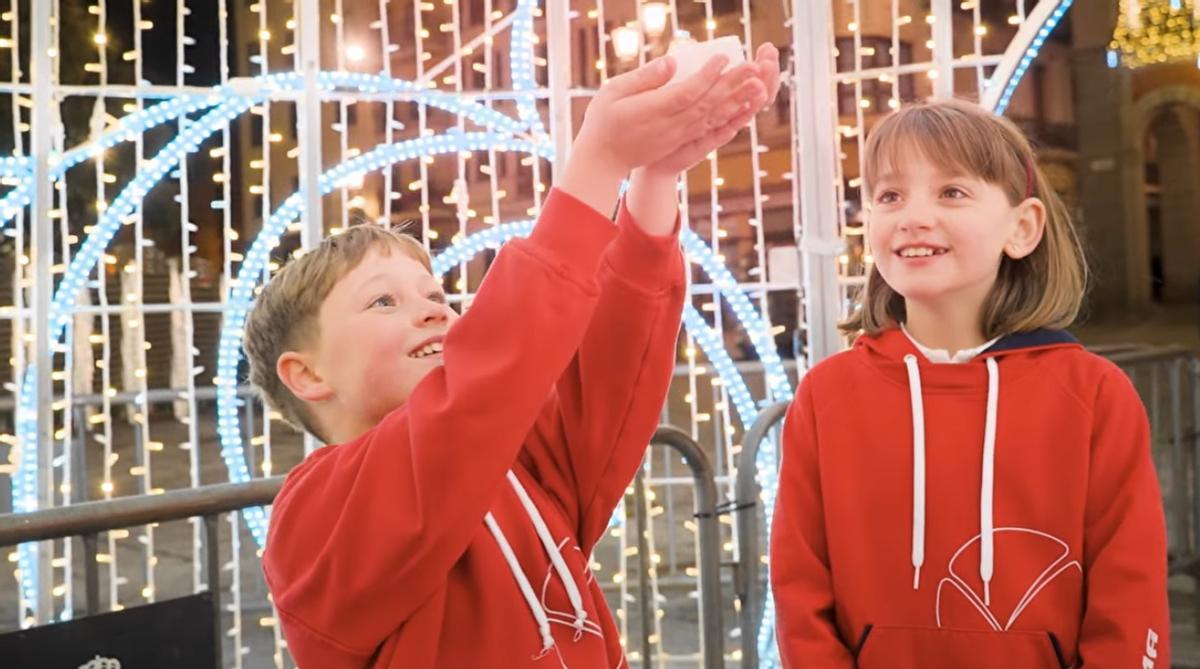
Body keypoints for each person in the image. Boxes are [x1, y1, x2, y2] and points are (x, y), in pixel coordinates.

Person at [245, 47, 781, 667]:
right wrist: (598, 162)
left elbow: (609, 373)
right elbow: (477, 391)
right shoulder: (316, 518)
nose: (433, 311)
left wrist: (655, 177)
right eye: (383, 301)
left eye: (436, 295)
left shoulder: (513, 464)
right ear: (306, 373)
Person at [770, 99, 1169, 669]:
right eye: (889, 196)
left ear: (1022, 227)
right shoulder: (826, 395)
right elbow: (799, 587)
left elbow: (1129, 598)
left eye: (951, 192)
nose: (913, 215)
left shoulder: (1094, 395)